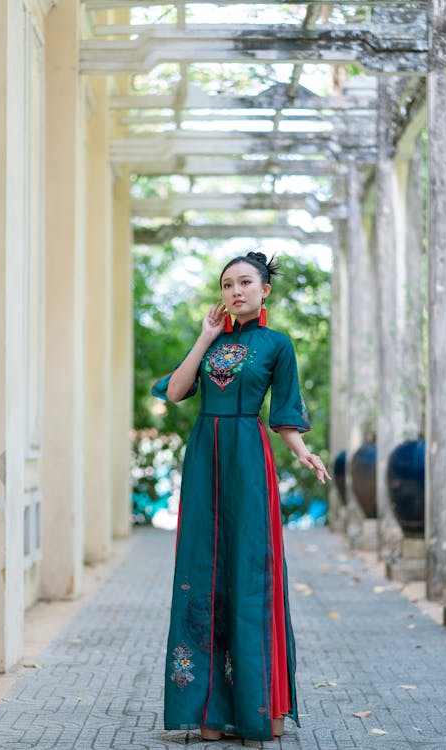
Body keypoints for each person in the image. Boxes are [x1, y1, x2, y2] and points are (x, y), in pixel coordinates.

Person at [152, 251, 331, 742]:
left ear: (264, 289)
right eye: (228, 284)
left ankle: (258, 706)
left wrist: (303, 451)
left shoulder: (277, 344)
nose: (236, 291)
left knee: (250, 570)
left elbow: (286, 412)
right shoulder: (210, 343)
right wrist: (204, 337)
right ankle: (210, 708)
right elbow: (175, 393)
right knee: (202, 570)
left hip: (249, 459)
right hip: (205, 460)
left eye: (246, 282)